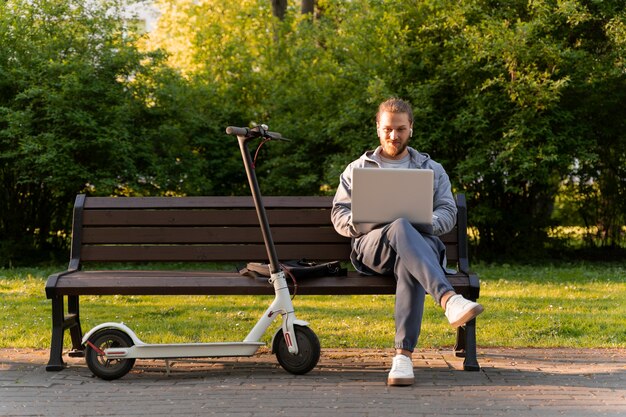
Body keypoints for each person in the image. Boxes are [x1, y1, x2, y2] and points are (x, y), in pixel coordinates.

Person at [331, 98, 484, 386]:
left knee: (408, 260)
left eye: (400, 129)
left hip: (419, 249)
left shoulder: (431, 168)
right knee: (399, 225)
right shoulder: (358, 168)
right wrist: (367, 219)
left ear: (411, 128)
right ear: (378, 128)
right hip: (373, 249)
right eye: (388, 128)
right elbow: (339, 213)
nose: (393, 135)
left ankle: (403, 358)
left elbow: (448, 211)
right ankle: (449, 300)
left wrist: (424, 222)